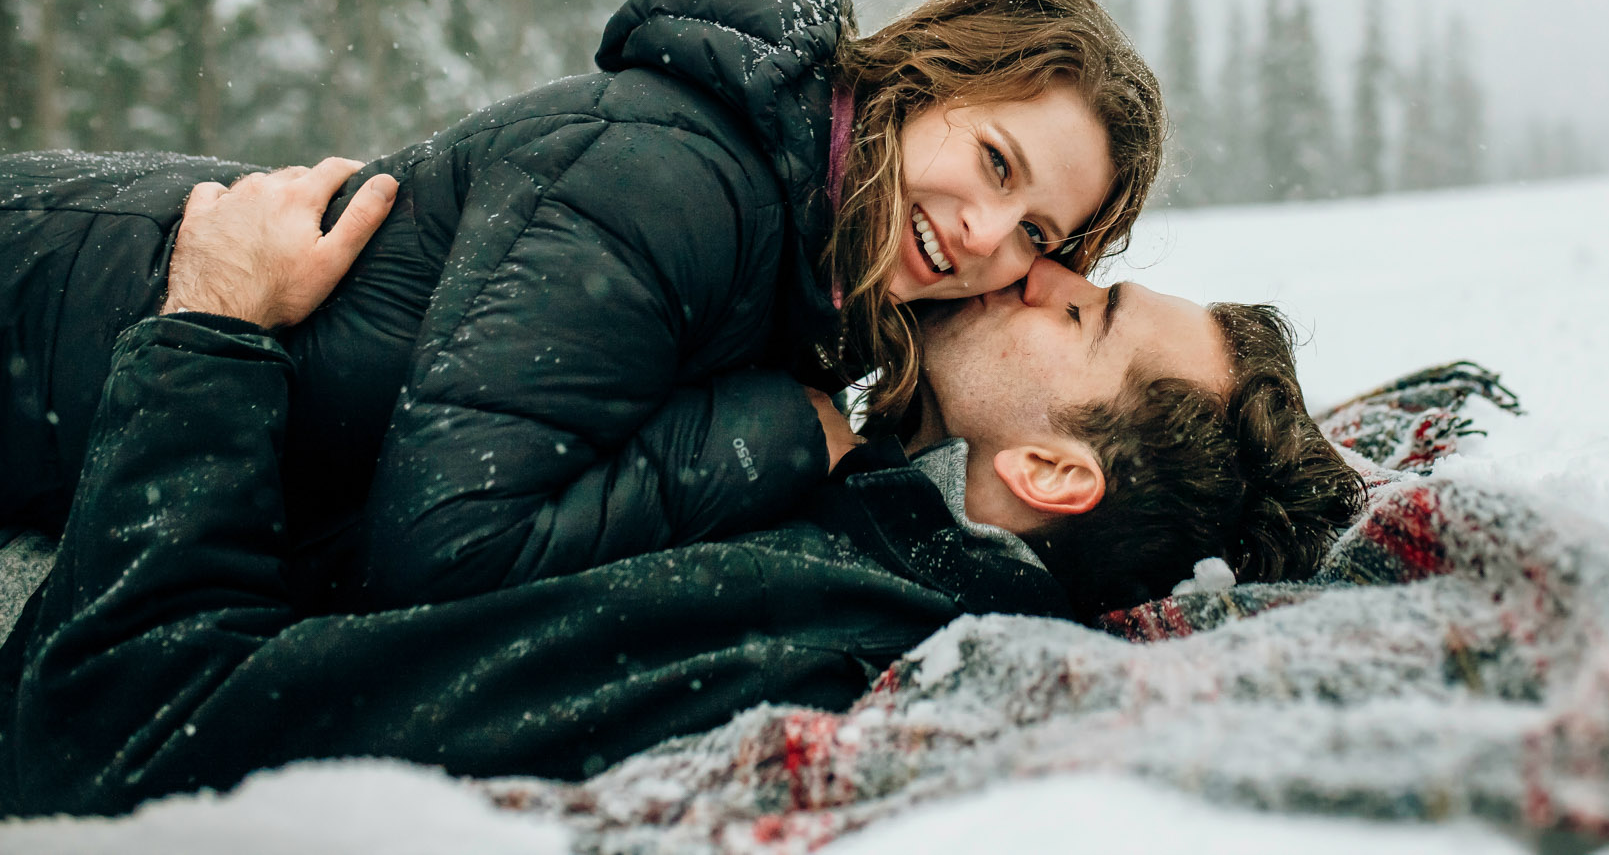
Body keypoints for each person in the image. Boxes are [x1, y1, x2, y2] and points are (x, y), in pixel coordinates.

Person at [0, 134, 1362, 816]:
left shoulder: (794, 622)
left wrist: (210, 332)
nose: (1043, 270)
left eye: (1086, 316)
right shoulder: (842, 500)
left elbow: (124, 720)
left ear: (1056, 468)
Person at [0, 0, 1164, 610]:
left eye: (1035, 233)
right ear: (924, 78)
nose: (982, 236)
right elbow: (447, 550)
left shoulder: (801, 266)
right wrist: (771, 432)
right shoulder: (672, 178)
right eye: (995, 164)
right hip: (52, 302)